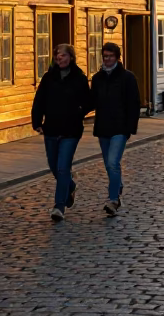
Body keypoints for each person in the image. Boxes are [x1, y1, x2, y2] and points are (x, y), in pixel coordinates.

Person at [31, 44, 92, 222]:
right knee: (53, 166)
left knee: (63, 167)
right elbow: (39, 100)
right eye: (57, 55)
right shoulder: (49, 77)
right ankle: (70, 185)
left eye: (63, 55)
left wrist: (78, 112)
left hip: (71, 130)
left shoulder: (79, 78)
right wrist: (37, 122)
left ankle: (59, 206)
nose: (59, 58)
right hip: (51, 128)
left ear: (70, 58)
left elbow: (89, 101)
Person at [90, 42, 140, 216]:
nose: (107, 59)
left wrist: (130, 128)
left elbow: (134, 104)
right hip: (103, 127)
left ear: (117, 57)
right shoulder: (97, 79)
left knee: (113, 162)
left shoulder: (127, 78)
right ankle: (117, 186)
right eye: (105, 56)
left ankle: (113, 200)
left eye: (110, 56)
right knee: (108, 165)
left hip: (120, 127)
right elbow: (92, 101)